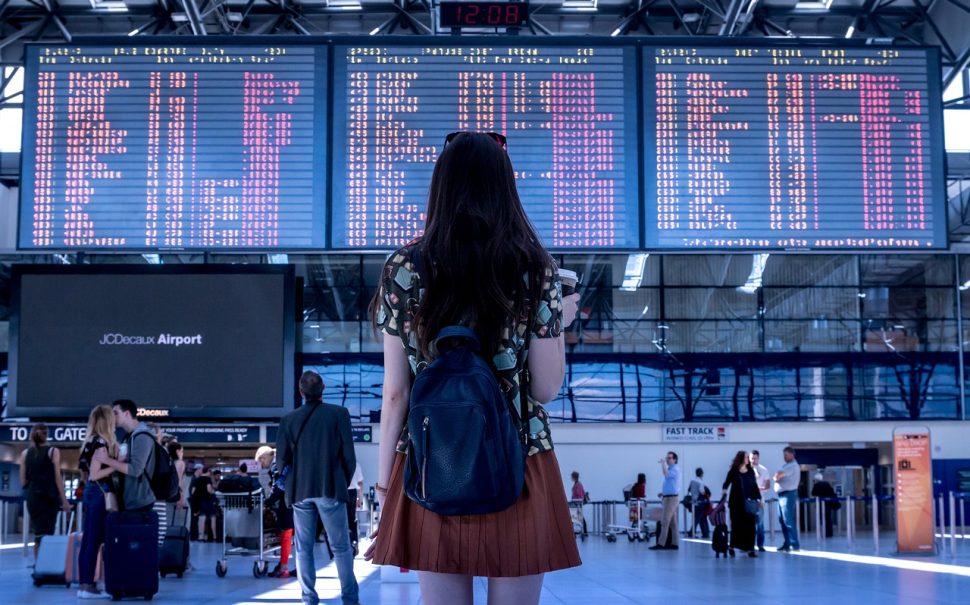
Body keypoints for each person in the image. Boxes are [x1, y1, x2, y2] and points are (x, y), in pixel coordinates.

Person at [365, 131, 582, 605]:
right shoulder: (535, 269)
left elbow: (396, 393)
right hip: (520, 458)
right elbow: (545, 388)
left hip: (430, 458)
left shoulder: (405, 267)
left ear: (440, 187)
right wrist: (558, 322)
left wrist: (384, 485)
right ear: (505, 188)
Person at [276, 370, 358, 605]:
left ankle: (309, 599)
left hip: (300, 491)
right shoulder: (339, 414)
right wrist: (342, 480)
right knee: (341, 547)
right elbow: (349, 457)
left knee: (303, 548)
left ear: (301, 392)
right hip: (330, 488)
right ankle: (350, 599)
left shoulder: (288, 420)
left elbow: (281, 460)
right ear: (323, 389)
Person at [76, 405, 119, 600]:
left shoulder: (88, 442)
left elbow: (86, 474)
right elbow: (95, 474)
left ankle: (86, 583)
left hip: (90, 493)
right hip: (101, 493)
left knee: (88, 540)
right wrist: (116, 465)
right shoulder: (101, 443)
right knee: (93, 541)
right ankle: (87, 586)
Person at [19, 423, 72, 561]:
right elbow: (57, 478)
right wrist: (64, 501)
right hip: (48, 497)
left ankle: (39, 565)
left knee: (38, 533)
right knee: (47, 533)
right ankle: (44, 566)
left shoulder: (25, 454)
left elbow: (23, 482)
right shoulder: (53, 451)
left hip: (33, 498)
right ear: (47, 434)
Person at [94, 400, 156, 514]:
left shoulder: (142, 436)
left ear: (127, 414)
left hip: (139, 503)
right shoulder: (129, 437)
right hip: (130, 501)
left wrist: (107, 460)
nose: (113, 417)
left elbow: (135, 470)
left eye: (116, 413)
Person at [722, 451, 762, 558]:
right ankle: (732, 546)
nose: (747, 459)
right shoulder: (734, 471)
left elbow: (754, 486)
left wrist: (759, 499)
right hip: (736, 503)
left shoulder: (750, 471)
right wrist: (724, 491)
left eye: (748, 458)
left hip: (749, 502)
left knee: (750, 526)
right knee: (736, 526)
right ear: (740, 458)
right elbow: (726, 483)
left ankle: (750, 549)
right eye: (745, 457)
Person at [651, 451, 681, 551]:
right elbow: (671, 485)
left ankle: (661, 544)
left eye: (669, 458)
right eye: (667, 458)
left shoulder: (675, 469)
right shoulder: (671, 469)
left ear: (675, 459)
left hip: (671, 499)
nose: (667, 459)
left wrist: (663, 464)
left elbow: (665, 475)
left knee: (664, 521)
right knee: (673, 523)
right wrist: (663, 493)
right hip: (668, 497)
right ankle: (674, 543)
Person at [774, 446, 801, 552]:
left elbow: (777, 475)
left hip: (788, 495)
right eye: (783, 455)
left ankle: (795, 545)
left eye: (786, 455)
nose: (784, 457)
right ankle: (787, 543)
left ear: (792, 454)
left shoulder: (793, 466)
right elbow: (777, 475)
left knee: (788, 520)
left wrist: (777, 477)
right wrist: (777, 476)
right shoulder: (786, 465)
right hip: (781, 496)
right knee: (783, 521)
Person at [190, 467, 217, 542]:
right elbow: (209, 490)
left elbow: (192, 492)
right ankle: (214, 537)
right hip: (208, 501)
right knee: (213, 518)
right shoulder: (208, 479)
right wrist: (213, 491)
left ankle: (200, 537)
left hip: (200, 502)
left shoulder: (197, 479)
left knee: (201, 519)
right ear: (208, 472)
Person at [751, 450, 770, 552]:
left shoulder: (764, 470)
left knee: (760, 524)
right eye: (752, 458)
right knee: (749, 524)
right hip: (748, 501)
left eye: (755, 458)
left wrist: (759, 489)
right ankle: (749, 545)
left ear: (759, 458)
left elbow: (768, 485)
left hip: (759, 500)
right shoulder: (746, 470)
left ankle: (760, 545)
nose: (754, 460)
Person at [811, 472, 840, 538]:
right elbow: (831, 492)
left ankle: (824, 532)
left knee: (822, 518)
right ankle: (829, 533)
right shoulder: (827, 484)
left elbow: (813, 493)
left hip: (821, 504)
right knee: (828, 518)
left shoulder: (816, 485)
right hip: (828, 504)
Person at [687, 468, 710, 539]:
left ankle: (705, 533)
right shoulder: (701, 482)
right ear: (702, 474)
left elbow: (689, 490)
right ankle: (691, 533)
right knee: (697, 518)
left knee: (701, 517)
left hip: (693, 501)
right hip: (699, 502)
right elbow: (702, 492)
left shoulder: (692, 481)